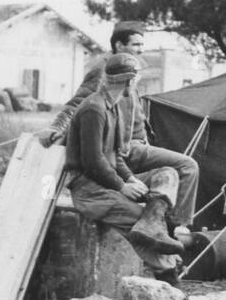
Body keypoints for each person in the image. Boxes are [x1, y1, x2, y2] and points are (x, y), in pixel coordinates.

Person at [40, 19, 200, 239]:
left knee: (168, 175)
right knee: (187, 165)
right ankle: (177, 228)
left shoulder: (129, 68)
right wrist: (56, 126)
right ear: (119, 45)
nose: (141, 49)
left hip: (134, 147)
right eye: (136, 45)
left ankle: (160, 224)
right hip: (127, 148)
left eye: (142, 45)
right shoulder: (105, 71)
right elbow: (77, 103)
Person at [63, 53, 185, 276]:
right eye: (136, 79)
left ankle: (153, 222)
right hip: (89, 190)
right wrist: (122, 186)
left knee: (167, 174)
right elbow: (92, 161)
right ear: (129, 82)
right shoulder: (93, 109)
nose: (136, 84)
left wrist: (130, 179)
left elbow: (116, 156)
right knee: (139, 224)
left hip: (107, 182)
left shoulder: (114, 106)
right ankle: (168, 274)